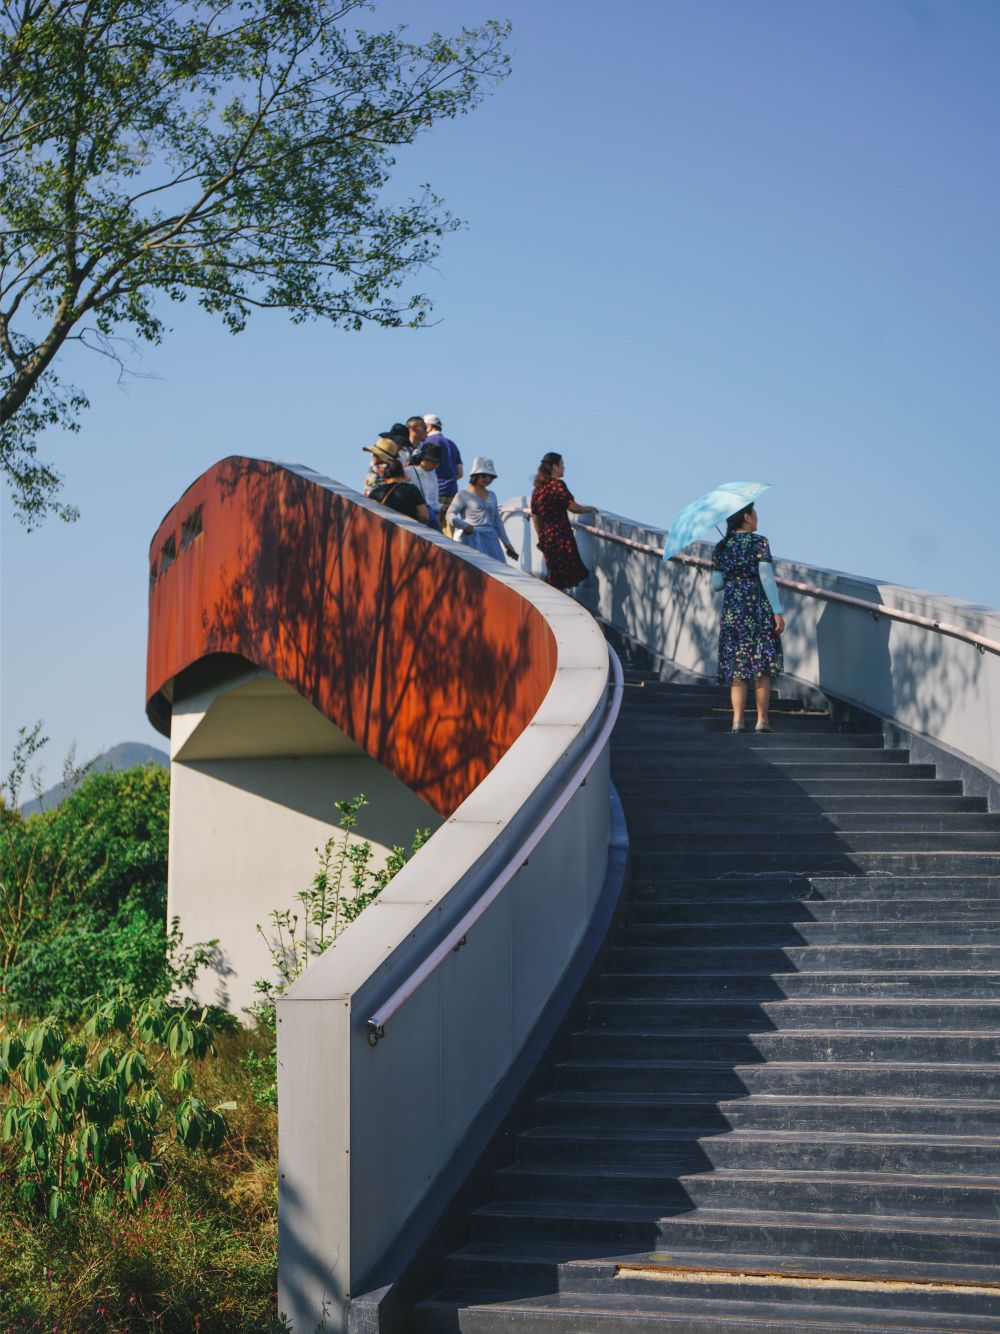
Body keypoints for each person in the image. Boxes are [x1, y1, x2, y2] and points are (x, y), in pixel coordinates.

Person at [710, 503, 786, 732]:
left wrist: (730, 569)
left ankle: (737, 720)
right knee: (761, 664)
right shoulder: (759, 542)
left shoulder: (721, 547)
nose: (757, 517)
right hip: (758, 608)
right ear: (746, 516)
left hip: (734, 610)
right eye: (755, 514)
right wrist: (777, 611)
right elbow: (766, 578)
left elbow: (717, 584)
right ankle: (762, 720)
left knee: (738, 665)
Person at [530, 451, 596, 590]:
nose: (564, 468)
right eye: (562, 465)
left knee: (554, 572)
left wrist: (541, 535)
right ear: (554, 466)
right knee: (565, 572)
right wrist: (587, 509)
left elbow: (535, 515)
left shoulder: (538, 490)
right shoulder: (557, 485)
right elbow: (572, 507)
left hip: (547, 537)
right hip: (560, 535)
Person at [447, 457, 518, 562]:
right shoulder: (463, 494)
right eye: (483, 475)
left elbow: (498, 522)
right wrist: (463, 525)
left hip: (491, 540)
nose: (487, 479)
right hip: (473, 538)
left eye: (490, 476)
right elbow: (450, 514)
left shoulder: (492, 495)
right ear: (475, 475)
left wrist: (507, 544)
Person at [423, 413, 463, 522]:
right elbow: (460, 473)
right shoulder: (452, 444)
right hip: (452, 492)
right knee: (449, 530)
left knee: (434, 528)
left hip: (434, 493)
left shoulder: (426, 443)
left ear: (429, 426)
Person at [368, 456, 429, 524]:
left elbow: (367, 514)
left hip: (382, 529)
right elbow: (424, 516)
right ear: (403, 475)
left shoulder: (375, 492)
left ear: (385, 478)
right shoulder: (412, 489)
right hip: (406, 530)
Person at [405, 441, 442, 527]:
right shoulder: (409, 472)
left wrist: (442, 507)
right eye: (434, 462)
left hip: (429, 515)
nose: (435, 466)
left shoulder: (433, 475)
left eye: (437, 463)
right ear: (423, 459)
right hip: (414, 514)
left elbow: (434, 501)